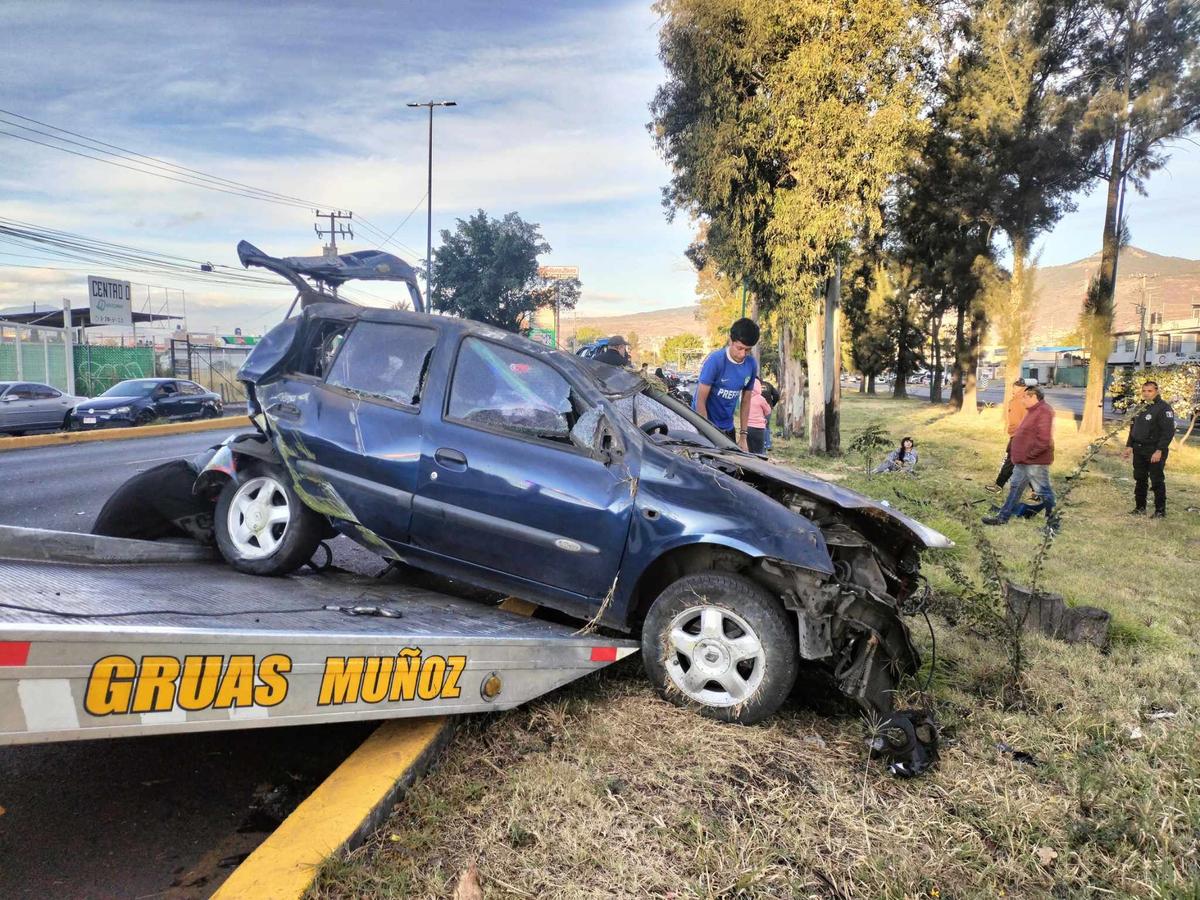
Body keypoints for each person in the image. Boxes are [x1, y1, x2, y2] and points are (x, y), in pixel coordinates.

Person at [983, 386, 1056, 527]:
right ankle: (1002, 518)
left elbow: (1044, 440)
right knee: (1015, 487)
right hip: (1023, 461)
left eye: (1024, 397)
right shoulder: (1033, 411)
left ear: (1033, 397)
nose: (1022, 400)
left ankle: (1053, 522)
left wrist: (1029, 455)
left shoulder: (1044, 411)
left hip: (1035, 461)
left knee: (1043, 490)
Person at [692, 317, 760, 450]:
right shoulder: (715, 361)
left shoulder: (751, 364)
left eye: (747, 350)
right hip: (703, 425)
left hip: (727, 428)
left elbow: (746, 401)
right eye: (739, 348)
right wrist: (706, 433)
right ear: (730, 340)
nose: (742, 354)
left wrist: (743, 437)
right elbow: (700, 401)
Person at [1123, 380, 1175, 518]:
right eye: (1144, 391)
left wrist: (1159, 450)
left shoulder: (1164, 408)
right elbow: (1133, 429)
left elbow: (1168, 432)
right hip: (1139, 449)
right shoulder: (1141, 407)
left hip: (1154, 450)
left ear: (1156, 391)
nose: (1146, 394)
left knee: (1156, 480)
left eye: (1150, 391)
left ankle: (1160, 511)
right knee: (1140, 479)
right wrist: (1129, 446)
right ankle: (1140, 508)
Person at [986, 378, 1031, 494]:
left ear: (1019, 388)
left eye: (1013, 388)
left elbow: (1021, 420)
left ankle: (998, 486)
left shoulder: (1019, 400)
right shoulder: (1026, 398)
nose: (1012, 390)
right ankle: (1038, 491)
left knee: (1010, 461)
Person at [745, 378, 773, 454]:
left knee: (750, 450)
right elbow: (768, 411)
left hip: (747, 427)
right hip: (759, 428)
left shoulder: (745, 398)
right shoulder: (760, 399)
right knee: (759, 451)